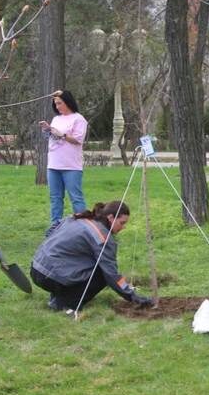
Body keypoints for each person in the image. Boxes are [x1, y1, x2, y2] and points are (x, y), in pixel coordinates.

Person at [31, 201, 153, 313]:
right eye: (122, 223)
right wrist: (132, 296)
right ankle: (65, 303)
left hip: (35, 268)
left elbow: (51, 230)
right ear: (110, 217)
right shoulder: (103, 237)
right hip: (51, 278)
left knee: (88, 263)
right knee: (101, 273)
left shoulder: (78, 217)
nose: (123, 227)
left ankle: (59, 294)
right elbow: (111, 274)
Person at [39, 90, 88, 226]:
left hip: (71, 166)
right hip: (53, 164)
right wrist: (47, 130)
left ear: (68, 102)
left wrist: (62, 135)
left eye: (60, 103)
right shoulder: (56, 119)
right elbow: (52, 137)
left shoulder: (78, 119)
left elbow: (78, 140)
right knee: (55, 198)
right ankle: (55, 227)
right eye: (56, 104)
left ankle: (82, 227)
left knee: (76, 198)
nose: (57, 106)